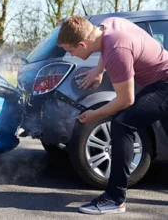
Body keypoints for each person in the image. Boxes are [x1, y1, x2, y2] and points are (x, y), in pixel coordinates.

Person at [57, 16, 168, 215]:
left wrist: (95, 114)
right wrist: (99, 70)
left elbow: (126, 100)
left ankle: (115, 198)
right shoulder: (108, 25)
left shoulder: (116, 51)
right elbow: (106, 45)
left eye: (71, 50)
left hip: (164, 83)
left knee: (122, 123)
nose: (72, 55)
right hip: (160, 80)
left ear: (82, 44)